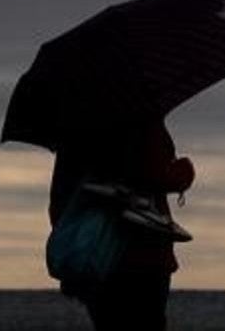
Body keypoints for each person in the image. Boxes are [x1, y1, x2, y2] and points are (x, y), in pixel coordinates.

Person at [49, 119, 195, 331]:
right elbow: (159, 175)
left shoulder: (73, 133)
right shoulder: (143, 123)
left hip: (93, 258)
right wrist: (184, 171)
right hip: (143, 257)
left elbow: (60, 201)